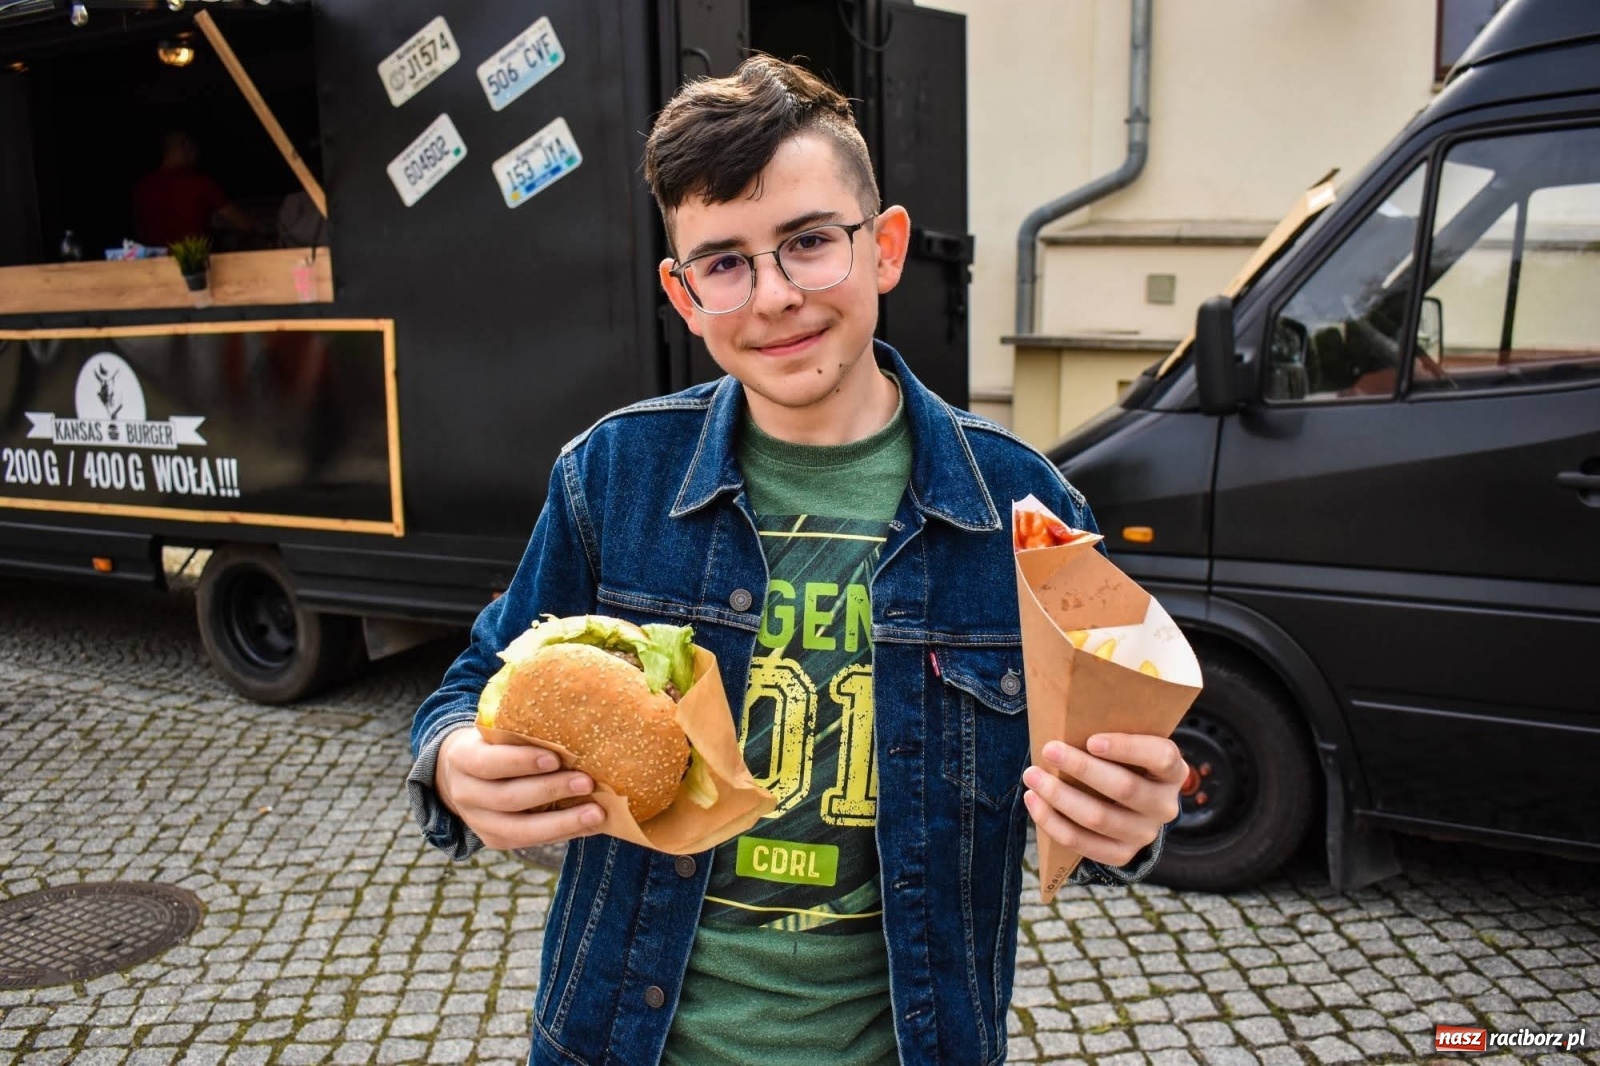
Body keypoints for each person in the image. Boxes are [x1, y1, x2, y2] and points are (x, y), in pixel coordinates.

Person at [408, 55, 1186, 1065]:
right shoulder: (612, 474)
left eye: (810, 243)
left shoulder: (1025, 510)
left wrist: (1130, 817)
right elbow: (474, 682)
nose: (772, 295)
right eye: (724, 263)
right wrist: (455, 761)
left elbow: (1113, 778)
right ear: (683, 295)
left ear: (886, 247)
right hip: (618, 1040)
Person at [131, 130, 249, 248]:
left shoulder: (142, 186)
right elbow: (239, 221)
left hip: (152, 262)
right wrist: (261, 228)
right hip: (192, 262)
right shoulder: (200, 183)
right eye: (195, 148)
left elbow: (138, 228)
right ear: (186, 145)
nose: (197, 154)